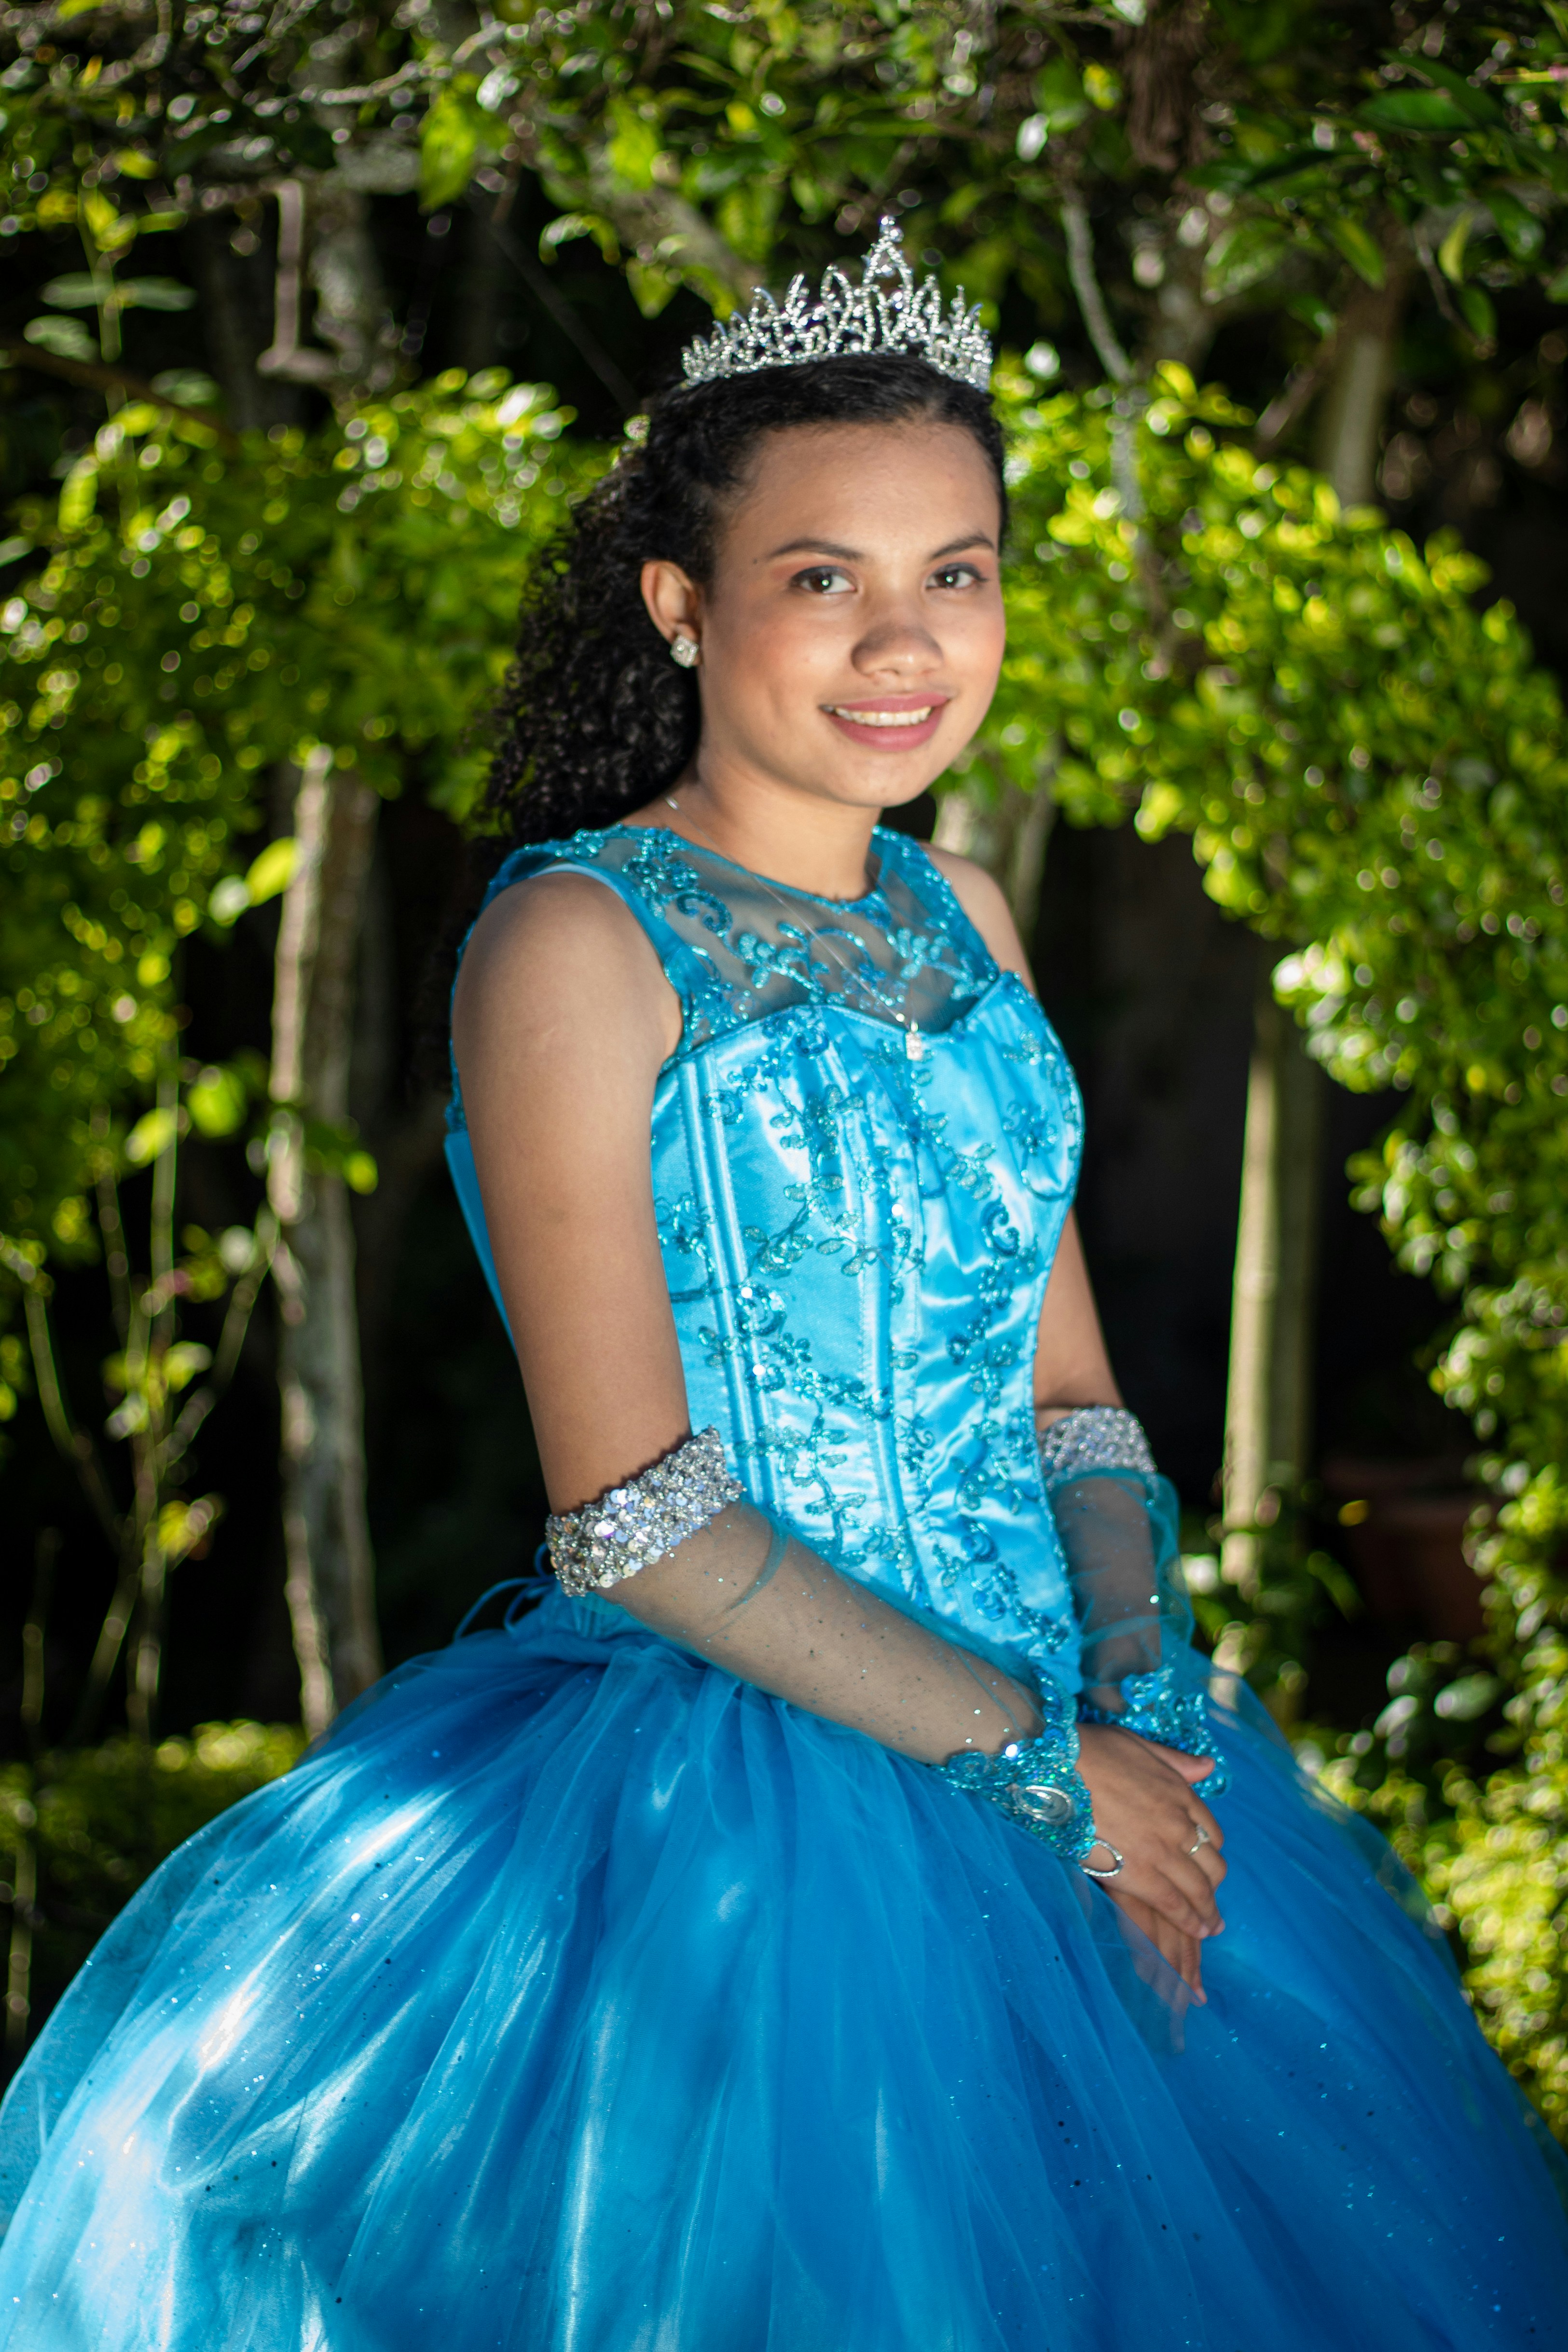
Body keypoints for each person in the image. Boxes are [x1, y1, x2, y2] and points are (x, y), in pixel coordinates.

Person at [0, 220, 1563, 2352]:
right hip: (736, 1815)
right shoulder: (575, 947)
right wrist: (1042, 1767)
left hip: (1098, 1752)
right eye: (827, 575)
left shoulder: (975, 917)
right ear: (684, 599)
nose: (906, 639)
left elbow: (1073, 1396)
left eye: (961, 570)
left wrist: (1151, 1715)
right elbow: (634, 1510)